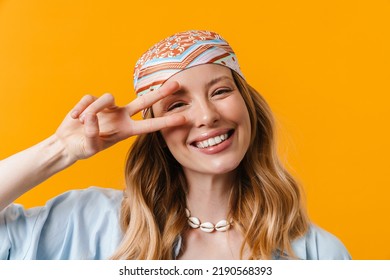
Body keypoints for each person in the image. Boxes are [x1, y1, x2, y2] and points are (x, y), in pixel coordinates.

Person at [0, 30, 351, 260]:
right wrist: (61, 149)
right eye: (177, 105)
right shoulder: (88, 222)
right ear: (155, 131)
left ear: (248, 105)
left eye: (220, 91)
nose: (207, 116)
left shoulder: (318, 254)